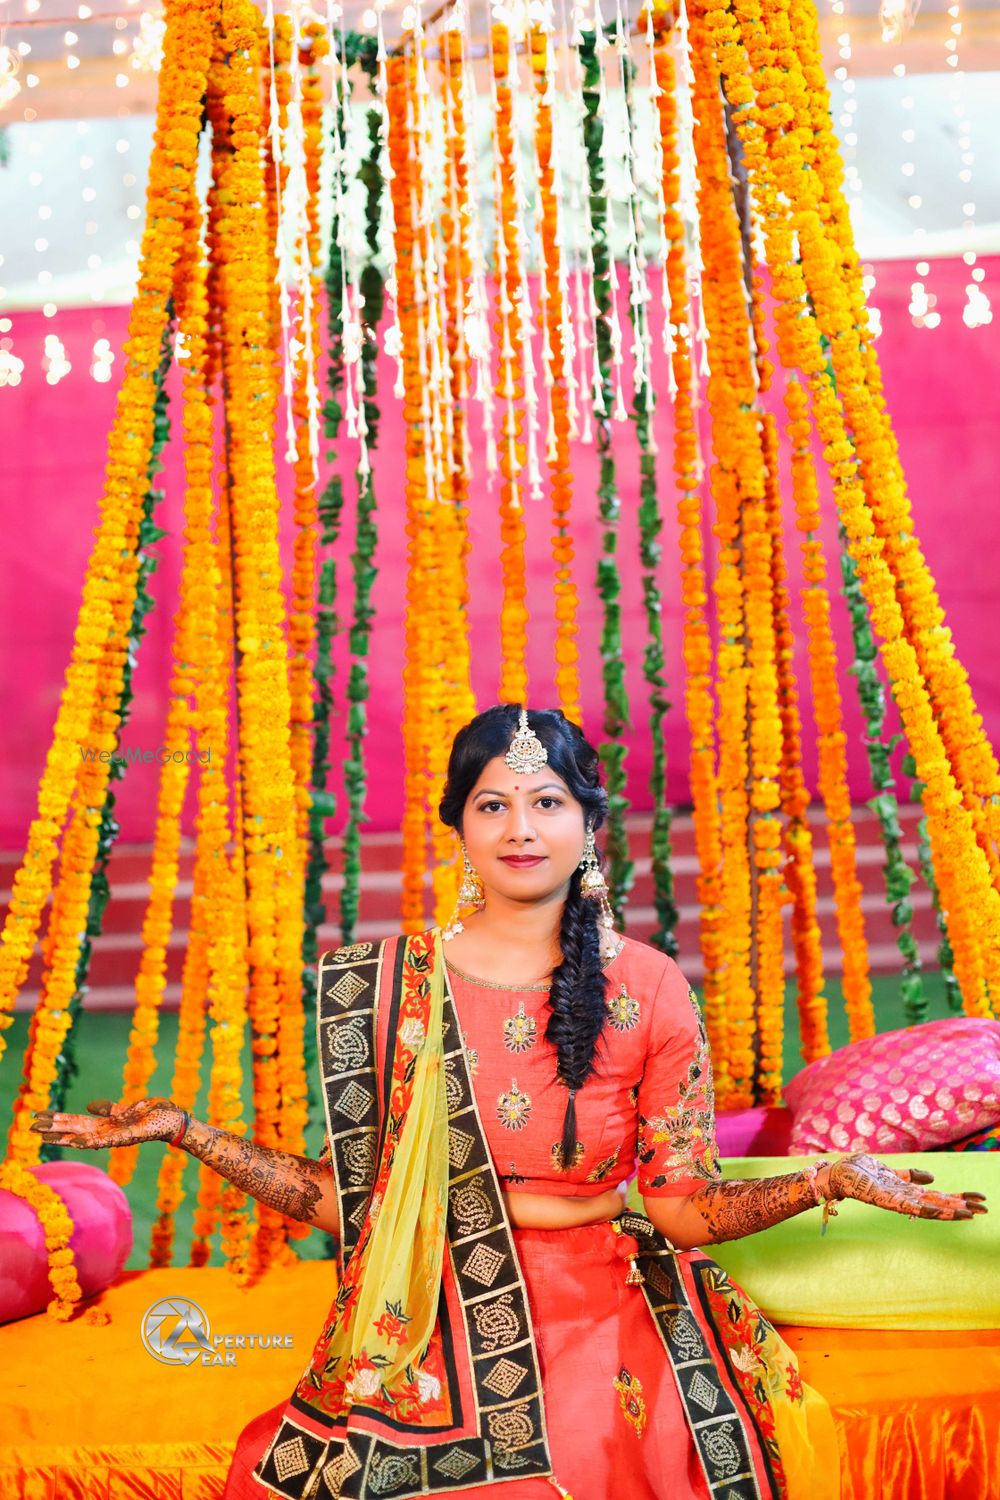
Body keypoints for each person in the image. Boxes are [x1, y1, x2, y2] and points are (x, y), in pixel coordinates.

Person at [31, 704, 988, 1500]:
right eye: (494, 804)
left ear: (587, 824)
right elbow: (357, 1206)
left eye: (547, 802)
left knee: (559, 1456)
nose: (521, 829)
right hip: (426, 1294)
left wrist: (828, 1178)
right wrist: (191, 1134)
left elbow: (683, 1208)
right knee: (326, 1465)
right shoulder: (388, 985)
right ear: (459, 827)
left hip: (601, 1293)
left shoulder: (649, 990)